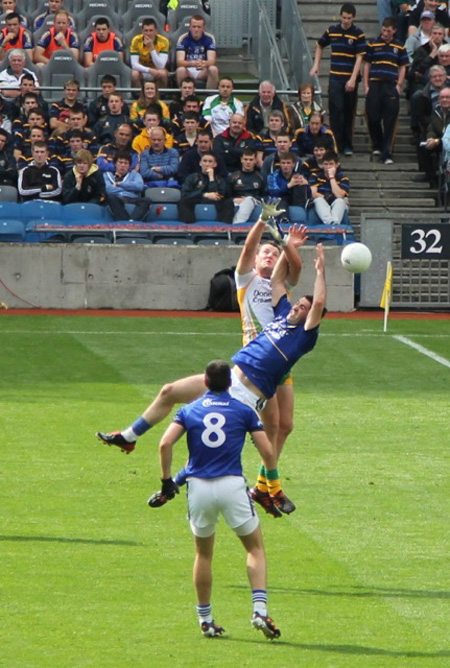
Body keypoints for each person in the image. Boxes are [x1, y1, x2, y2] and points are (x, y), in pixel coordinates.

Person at [96, 226, 327, 513]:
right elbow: (258, 259)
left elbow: (299, 279)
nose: (269, 255)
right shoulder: (248, 281)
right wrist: (269, 230)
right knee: (174, 395)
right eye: (264, 252)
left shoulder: (287, 303)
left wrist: (291, 246)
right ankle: (132, 438)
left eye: (274, 253)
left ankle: (263, 487)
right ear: (255, 260)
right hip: (243, 370)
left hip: (269, 372)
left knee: (279, 429)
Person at [147, 359, 282, 640]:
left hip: (199, 490)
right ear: (230, 383)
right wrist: (274, 485)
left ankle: (205, 619)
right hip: (231, 486)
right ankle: (259, 609)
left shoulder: (188, 410)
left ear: (205, 383)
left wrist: (166, 481)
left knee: (204, 554)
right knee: (255, 548)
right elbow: (268, 451)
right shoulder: (243, 410)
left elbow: (164, 443)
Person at [309, 3, 366, 156]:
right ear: (340, 16)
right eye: (344, 17)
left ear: (353, 18)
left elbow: (360, 57)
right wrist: (316, 65)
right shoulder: (332, 30)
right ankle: (336, 144)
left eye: (349, 18)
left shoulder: (358, 34)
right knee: (336, 110)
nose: (346, 21)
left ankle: (348, 144)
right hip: (335, 76)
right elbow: (320, 45)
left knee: (348, 111)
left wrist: (353, 79)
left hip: (349, 77)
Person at [364, 17, 408, 165]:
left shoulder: (399, 47)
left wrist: (399, 85)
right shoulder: (373, 44)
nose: (385, 33)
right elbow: (367, 65)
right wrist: (366, 85)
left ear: (394, 31)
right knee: (373, 117)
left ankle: (387, 152)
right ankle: (377, 143)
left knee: (389, 121)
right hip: (375, 84)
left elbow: (403, 66)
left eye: (388, 31)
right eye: (383, 30)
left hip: (390, 85)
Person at [178, 151, 233, 224]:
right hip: (197, 200)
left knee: (228, 202)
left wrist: (211, 178)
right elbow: (185, 194)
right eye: (205, 161)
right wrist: (204, 195)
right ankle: (189, 227)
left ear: (215, 164)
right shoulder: (192, 177)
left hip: (216, 202)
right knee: (183, 202)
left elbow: (220, 195)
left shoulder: (220, 179)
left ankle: (222, 227)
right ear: (200, 163)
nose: (207, 164)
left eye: (210, 161)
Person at [104, 150, 151, 221]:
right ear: (115, 164)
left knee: (146, 200)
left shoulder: (135, 175)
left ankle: (132, 221)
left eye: (126, 163)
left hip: (132, 198)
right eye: (120, 162)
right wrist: (129, 188)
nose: (123, 165)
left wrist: (120, 184)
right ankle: (125, 222)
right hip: (117, 198)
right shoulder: (107, 175)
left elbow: (139, 186)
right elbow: (108, 189)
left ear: (129, 166)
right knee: (111, 197)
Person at [175, 15, 218, 89]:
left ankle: (210, 98)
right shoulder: (183, 39)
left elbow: (212, 61)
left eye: (199, 27)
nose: (196, 29)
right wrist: (192, 63)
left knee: (213, 69)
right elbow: (179, 62)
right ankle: (183, 97)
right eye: (194, 26)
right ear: (190, 27)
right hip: (188, 69)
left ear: (203, 28)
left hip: (203, 70)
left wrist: (204, 63)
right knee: (180, 70)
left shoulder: (209, 39)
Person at [310, 150, 350, 224]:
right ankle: (331, 223)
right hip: (322, 202)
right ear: (322, 165)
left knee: (340, 201)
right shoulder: (315, 176)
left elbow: (339, 195)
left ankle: (334, 223)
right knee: (318, 200)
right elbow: (313, 193)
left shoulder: (343, 178)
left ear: (337, 165)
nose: (328, 167)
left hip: (337, 203)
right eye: (326, 164)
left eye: (331, 164)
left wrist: (332, 178)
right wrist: (327, 198)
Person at [129, 17, 169, 87]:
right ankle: (140, 96)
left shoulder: (164, 41)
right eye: (146, 30)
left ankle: (160, 96)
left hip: (157, 70)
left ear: (155, 31)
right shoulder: (136, 40)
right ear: (142, 31)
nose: (148, 33)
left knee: (163, 73)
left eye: (151, 30)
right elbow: (134, 65)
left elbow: (161, 66)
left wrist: (151, 49)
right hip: (142, 69)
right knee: (134, 74)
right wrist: (150, 70)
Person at [228, 148, 264, 223]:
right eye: (246, 159)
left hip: (255, 201)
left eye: (251, 160)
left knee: (249, 200)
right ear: (241, 160)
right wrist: (233, 199)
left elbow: (265, 195)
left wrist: (247, 200)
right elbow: (226, 195)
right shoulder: (233, 176)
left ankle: (237, 226)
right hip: (237, 201)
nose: (248, 162)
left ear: (255, 161)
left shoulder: (260, 176)